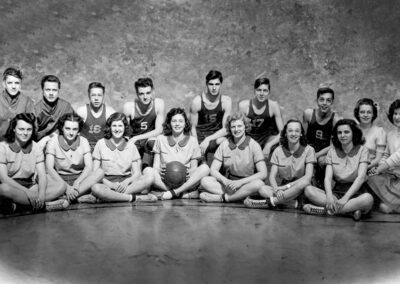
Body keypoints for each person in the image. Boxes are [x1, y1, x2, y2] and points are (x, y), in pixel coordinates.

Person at [303, 119, 374, 221]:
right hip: (336, 193)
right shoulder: (332, 152)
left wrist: (345, 199)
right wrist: (329, 197)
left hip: (357, 194)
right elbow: (327, 179)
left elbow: (361, 177)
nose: (342, 135)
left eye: (346, 132)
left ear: (353, 133)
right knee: (308, 190)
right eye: (339, 132)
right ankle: (350, 211)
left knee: (368, 199)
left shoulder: (363, 150)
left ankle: (325, 211)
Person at [0, 113, 68, 214]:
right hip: (12, 186)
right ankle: (44, 205)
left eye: (29, 129)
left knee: (61, 186)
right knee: (3, 189)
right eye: (21, 129)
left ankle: (21, 205)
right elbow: (4, 179)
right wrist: (27, 193)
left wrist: (40, 194)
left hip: (30, 186)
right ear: (14, 129)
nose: (25, 133)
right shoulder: (3, 147)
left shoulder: (36, 147)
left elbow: (41, 175)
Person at [244, 119, 315, 208]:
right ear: (285, 133)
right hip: (283, 189)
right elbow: (272, 177)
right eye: (290, 131)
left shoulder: (309, 150)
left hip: (300, 187)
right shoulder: (278, 150)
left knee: (304, 183)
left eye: (297, 131)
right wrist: (277, 190)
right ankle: (293, 204)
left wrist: (286, 187)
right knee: (262, 189)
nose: (293, 134)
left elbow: (307, 177)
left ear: (301, 133)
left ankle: (271, 202)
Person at [199, 112, 267, 203]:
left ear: (245, 127)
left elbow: (263, 173)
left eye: (239, 126)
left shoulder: (254, 145)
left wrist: (240, 182)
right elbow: (213, 170)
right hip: (229, 185)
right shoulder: (224, 144)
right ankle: (240, 196)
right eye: (233, 127)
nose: (236, 129)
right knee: (205, 181)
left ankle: (224, 198)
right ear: (229, 129)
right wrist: (225, 181)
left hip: (246, 183)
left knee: (259, 184)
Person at [143, 108, 210, 200]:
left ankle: (174, 192)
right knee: (147, 170)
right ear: (169, 123)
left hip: (184, 180)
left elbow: (193, 168)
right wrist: (159, 171)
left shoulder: (193, 141)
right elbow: (155, 166)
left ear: (185, 123)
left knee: (205, 168)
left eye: (180, 121)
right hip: (165, 181)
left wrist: (188, 172)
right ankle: (178, 192)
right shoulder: (160, 139)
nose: (177, 124)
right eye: (174, 121)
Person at [91, 113, 157, 203]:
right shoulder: (101, 143)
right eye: (114, 126)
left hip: (127, 184)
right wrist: (111, 185)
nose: (117, 129)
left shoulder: (131, 146)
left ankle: (111, 196)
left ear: (125, 128)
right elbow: (95, 172)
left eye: (120, 126)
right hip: (106, 183)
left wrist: (127, 181)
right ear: (109, 127)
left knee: (150, 178)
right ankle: (134, 198)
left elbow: (137, 173)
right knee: (96, 188)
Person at [45, 113, 103, 204]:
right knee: (44, 177)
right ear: (62, 128)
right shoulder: (53, 141)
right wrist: (66, 187)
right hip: (59, 179)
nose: (71, 133)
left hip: (79, 179)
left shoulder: (83, 141)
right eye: (67, 129)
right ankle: (77, 197)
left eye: (74, 129)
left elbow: (88, 167)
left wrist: (77, 182)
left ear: (79, 130)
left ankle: (67, 197)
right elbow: (49, 168)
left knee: (100, 172)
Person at [303, 86, 341, 186]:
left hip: (325, 152)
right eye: (322, 99)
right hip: (309, 149)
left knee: (321, 161)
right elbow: (302, 136)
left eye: (328, 100)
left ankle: (321, 182)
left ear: (332, 102)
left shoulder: (335, 120)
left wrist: (317, 154)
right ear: (317, 101)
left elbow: (335, 145)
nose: (324, 103)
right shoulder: (308, 114)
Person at [190, 70, 232, 159]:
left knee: (226, 141)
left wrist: (208, 139)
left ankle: (223, 168)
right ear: (206, 84)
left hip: (216, 136)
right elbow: (192, 128)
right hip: (200, 137)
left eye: (217, 84)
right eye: (211, 84)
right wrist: (197, 145)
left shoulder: (226, 101)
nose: (214, 88)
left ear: (221, 84)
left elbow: (226, 129)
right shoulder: (197, 101)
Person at [123, 77, 165, 167]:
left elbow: (159, 130)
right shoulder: (129, 107)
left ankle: (148, 167)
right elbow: (125, 132)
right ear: (137, 94)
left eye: (148, 93)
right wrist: (129, 141)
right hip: (135, 142)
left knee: (154, 142)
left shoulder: (159, 104)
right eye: (141, 94)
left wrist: (137, 138)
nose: (145, 97)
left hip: (150, 139)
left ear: (153, 91)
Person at [238, 77, 284, 158]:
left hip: (266, 139)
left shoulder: (273, 106)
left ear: (269, 92)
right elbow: (238, 129)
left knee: (282, 142)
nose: (262, 93)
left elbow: (282, 132)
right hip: (250, 139)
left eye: (265, 90)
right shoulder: (244, 106)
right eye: (259, 90)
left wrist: (269, 145)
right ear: (254, 91)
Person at [368, 99, 400, 213]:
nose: (397, 117)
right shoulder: (391, 134)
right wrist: (379, 168)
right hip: (393, 177)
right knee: (371, 177)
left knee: (384, 208)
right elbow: (386, 154)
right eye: (395, 114)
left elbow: (397, 157)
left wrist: (379, 169)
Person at [34, 75, 75, 149]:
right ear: (42, 90)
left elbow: (74, 127)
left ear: (59, 90)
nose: (51, 93)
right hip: (40, 144)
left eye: (54, 90)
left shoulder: (66, 106)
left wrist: (52, 136)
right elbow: (31, 134)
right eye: (48, 90)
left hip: (60, 142)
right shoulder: (35, 109)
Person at [76, 82, 116, 151]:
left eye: (99, 95)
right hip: (84, 149)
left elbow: (117, 134)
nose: (96, 98)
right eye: (93, 95)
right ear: (89, 96)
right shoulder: (81, 111)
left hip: (103, 149)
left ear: (103, 96)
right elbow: (73, 133)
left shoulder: (110, 112)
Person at [0, 68, 34, 139]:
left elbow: (32, 126)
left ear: (20, 84)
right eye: (10, 83)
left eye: (17, 83)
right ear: (4, 84)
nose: (13, 86)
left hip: (19, 143)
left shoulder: (27, 102)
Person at [353, 98, 386, 173]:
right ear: (358, 113)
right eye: (362, 112)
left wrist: (362, 169)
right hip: (351, 168)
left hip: (369, 169)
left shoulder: (379, 132)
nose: (365, 115)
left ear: (373, 114)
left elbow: (378, 159)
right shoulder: (352, 129)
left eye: (369, 112)